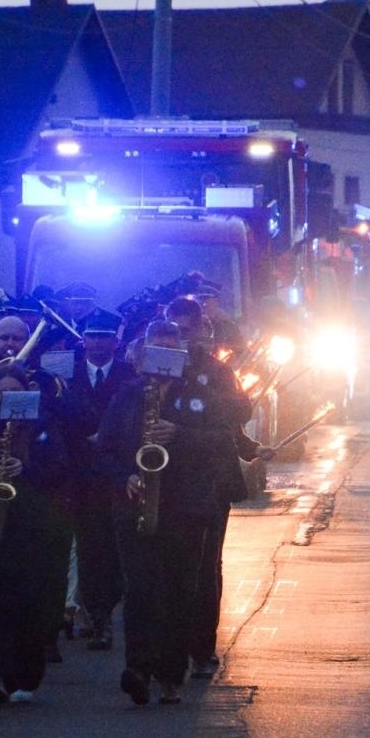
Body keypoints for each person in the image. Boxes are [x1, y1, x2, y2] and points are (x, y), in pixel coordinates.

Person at [95, 318, 228, 705]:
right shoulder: (127, 396)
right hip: (136, 507)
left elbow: (222, 443)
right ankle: (138, 667)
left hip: (187, 508)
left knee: (179, 591)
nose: (164, 358)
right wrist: (125, 478)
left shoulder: (201, 395)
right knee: (139, 590)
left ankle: (171, 672)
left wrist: (181, 436)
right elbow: (102, 451)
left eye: (173, 350)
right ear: (143, 354)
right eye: (158, 350)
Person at [0, 361, 70, 704]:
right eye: (0, 392)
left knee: (27, 603)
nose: (6, 397)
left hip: (31, 526)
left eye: (14, 391)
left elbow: (60, 470)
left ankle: (24, 673)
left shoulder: (44, 428)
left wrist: (26, 467)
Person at [166, 295, 252, 679]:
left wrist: (204, 395)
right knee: (167, 567)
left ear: (202, 330)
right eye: (175, 332)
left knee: (204, 566)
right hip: (166, 480)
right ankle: (167, 644)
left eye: (189, 331)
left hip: (210, 481)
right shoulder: (154, 372)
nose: (183, 339)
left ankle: (201, 647)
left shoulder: (216, 371)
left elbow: (239, 413)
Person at [66, 308, 136, 650]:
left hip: (116, 472)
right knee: (89, 546)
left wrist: (107, 438)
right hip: (79, 472)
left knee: (112, 547)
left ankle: (105, 611)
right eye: (91, 336)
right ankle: (93, 614)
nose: (97, 343)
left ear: (116, 340)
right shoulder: (69, 372)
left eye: (104, 336)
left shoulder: (128, 374)